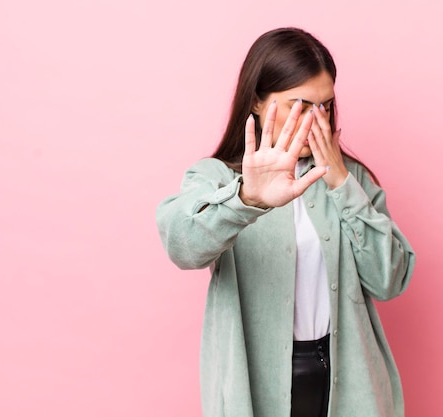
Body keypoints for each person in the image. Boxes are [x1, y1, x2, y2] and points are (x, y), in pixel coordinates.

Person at [156, 27, 416, 417]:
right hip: (258, 384)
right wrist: (246, 199)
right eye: (299, 104)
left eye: (324, 105)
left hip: (349, 380)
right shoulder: (219, 178)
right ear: (258, 102)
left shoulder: (351, 178)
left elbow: (390, 281)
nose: (315, 120)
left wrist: (341, 183)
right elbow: (181, 245)